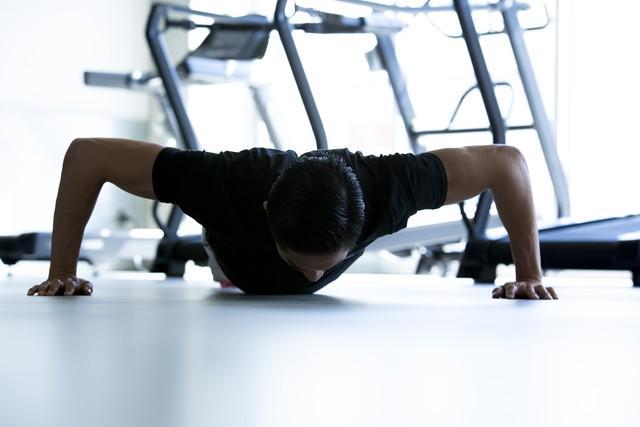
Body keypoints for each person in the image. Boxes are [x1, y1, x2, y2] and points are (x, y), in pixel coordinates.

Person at [27, 137, 558, 299]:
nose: (314, 276)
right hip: (233, 259)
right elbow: (86, 155)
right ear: (267, 215)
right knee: (227, 266)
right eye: (301, 262)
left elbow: (507, 164)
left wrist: (529, 274)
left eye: (326, 264)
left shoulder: (388, 188)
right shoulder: (223, 184)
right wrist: (62, 270)